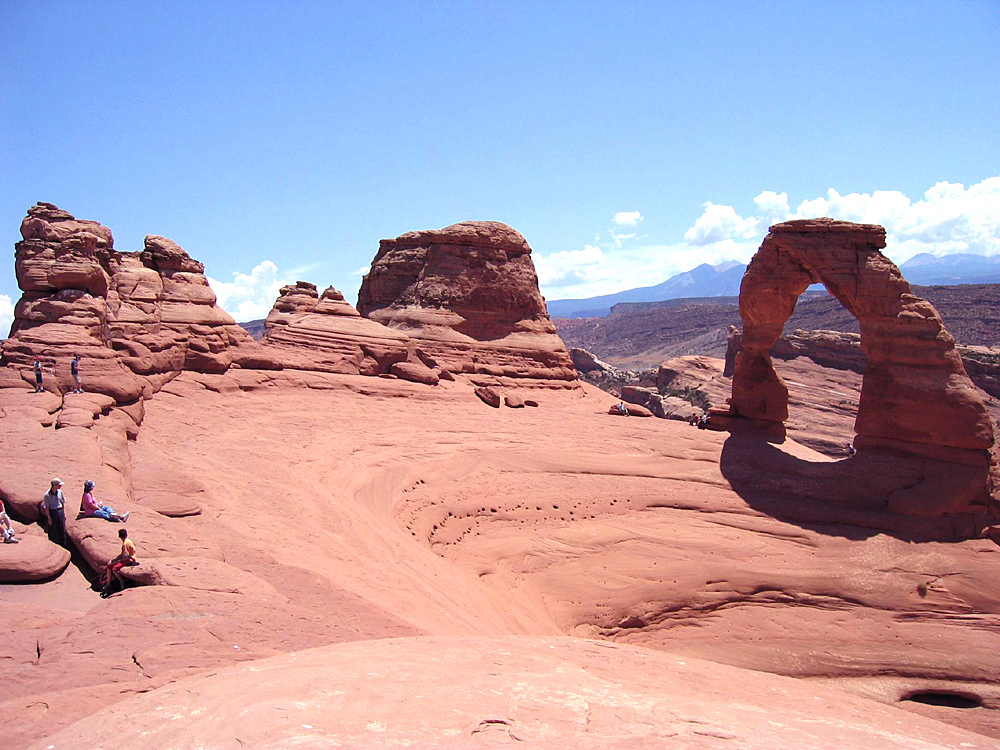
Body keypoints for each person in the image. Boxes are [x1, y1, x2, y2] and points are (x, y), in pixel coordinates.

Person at [100, 528, 137, 598]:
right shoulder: (127, 541)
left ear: (119, 536)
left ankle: (122, 582)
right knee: (109, 567)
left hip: (130, 559)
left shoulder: (125, 544)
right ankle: (108, 584)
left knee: (114, 568)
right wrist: (114, 559)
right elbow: (122, 554)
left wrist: (117, 561)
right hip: (127, 558)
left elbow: (126, 556)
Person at [41, 477, 67, 547]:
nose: (60, 486)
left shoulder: (60, 492)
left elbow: (63, 502)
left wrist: (64, 513)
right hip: (53, 512)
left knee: (62, 529)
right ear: (54, 485)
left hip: (59, 511)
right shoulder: (47, 495)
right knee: (53, 530)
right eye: (59, 485)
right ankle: (52, 545)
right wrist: (49, 518)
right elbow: (47, 507)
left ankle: (63, 545)